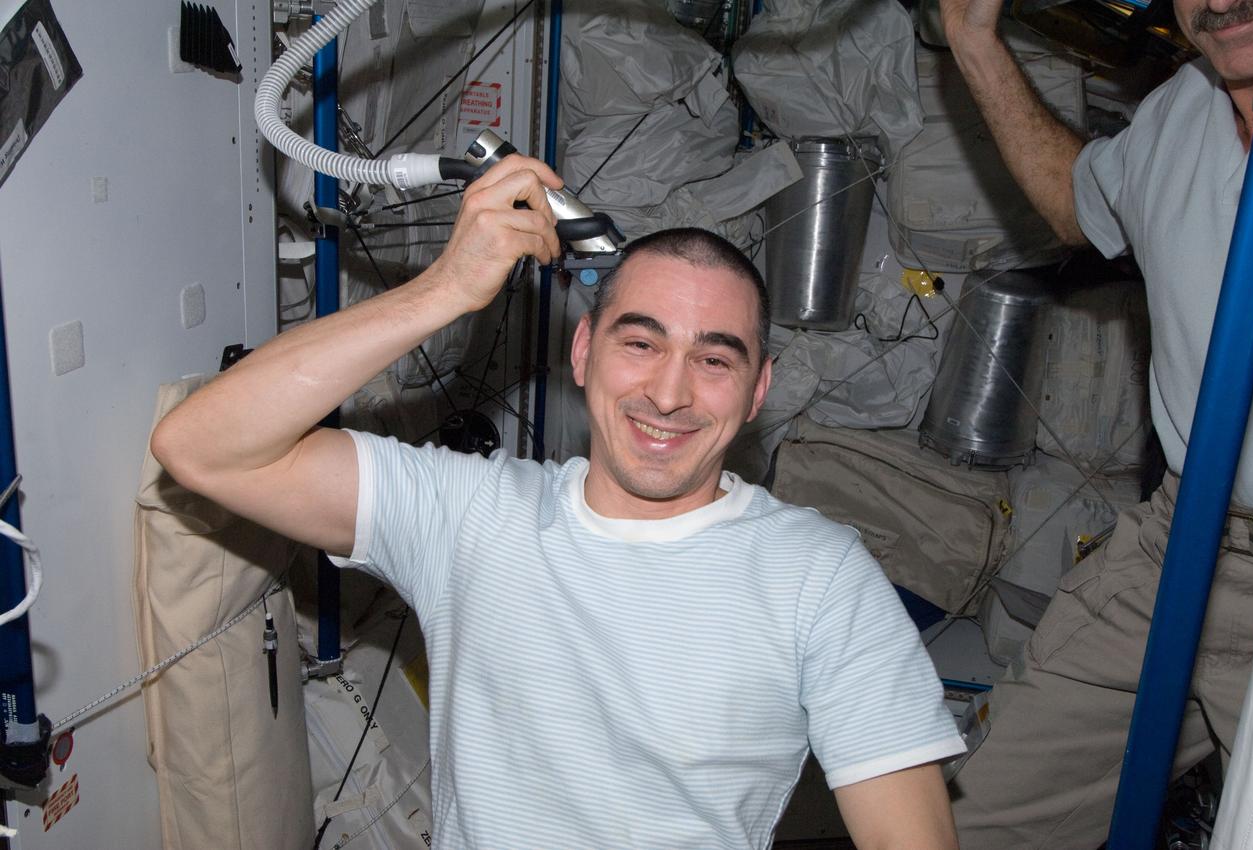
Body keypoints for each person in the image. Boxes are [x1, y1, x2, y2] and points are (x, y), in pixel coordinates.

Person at [150, 154, 965, 849]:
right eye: (640, 343)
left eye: (715, 361)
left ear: (758, 392)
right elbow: (202, 446)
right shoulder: (471, 514)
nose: (670, 393)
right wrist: (444, 290)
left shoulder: (819, 577)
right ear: (584, 351)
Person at [938, 0, 1253, 845]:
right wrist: (973, 40)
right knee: (973, 824)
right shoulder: (1181, 111)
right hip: (1181, 546)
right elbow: (1075, 200)